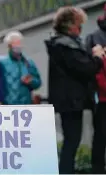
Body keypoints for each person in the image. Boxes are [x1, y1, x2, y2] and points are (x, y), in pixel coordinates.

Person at [44, 7, 105, 174]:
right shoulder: (65, 46)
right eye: (79, 25)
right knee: (72, 141)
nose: (80, 29)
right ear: (70, 26)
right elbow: (85, 68)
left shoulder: (62, 44)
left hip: (70, 100)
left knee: (72, 141)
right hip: (70, 101)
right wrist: (98, 57)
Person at [86, 7, 106, 173]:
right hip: (102, 97)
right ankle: (98, 170)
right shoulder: (95, 37)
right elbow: (92, 69)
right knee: (101, 135)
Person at [0, 31, 41, 105]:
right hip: (7, 106)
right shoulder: (2, 63)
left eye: (19, 44)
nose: (18, 47)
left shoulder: (28, 62)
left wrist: (31, 81)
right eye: (15, 45)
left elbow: (38, 83)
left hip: (25, 106)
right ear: (9, 46)